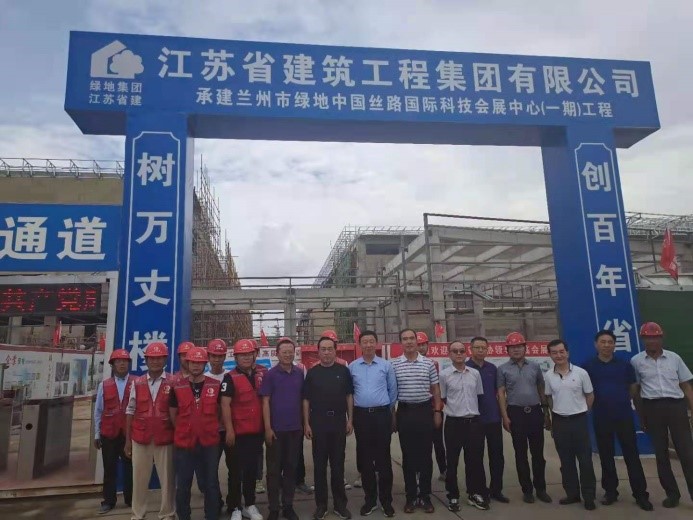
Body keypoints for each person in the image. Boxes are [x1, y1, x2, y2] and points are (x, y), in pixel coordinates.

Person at [582, 330, 652, 510]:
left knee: (632, 455)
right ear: (596, 344)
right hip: (601, 417)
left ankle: (640, 494)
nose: (606, 345)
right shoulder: (588, 366)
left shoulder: (624, 365)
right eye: (603, 342)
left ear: (614, 344)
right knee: (606, 456)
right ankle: (610, 492)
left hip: (624, 416)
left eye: (610, 342)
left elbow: (633, 389)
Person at [631, 322, 693, 508]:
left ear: (661, 338)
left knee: (687, 454)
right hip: (652, 408)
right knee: (661, 454)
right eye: (648, 338)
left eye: (655, 337)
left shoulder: (674, 358)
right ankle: (672, 494)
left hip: (676, 407)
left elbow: (686, 386)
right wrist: (642, 417)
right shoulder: (636, 361)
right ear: (643, 339)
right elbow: (635, 392)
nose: (652, 341)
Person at [303, 334, 354, 520]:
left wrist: (350, 420)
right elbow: (306, 400)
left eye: (329, 349)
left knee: (338, 466)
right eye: (323, 349)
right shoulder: (312, 373)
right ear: (318, 352)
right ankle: (321, 506)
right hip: (318, 424)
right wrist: (306, 423)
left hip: (338, 423)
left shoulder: (343, 371)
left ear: (335, 351)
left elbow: (349, 396)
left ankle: (340, 505)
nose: (326, 352)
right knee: (319, 467)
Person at [497, 332, 552, 504]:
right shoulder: (502, 369)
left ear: (525, 348)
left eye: (519, 346)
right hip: (516, 413)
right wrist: (504, 416)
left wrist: (546, 412)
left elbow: (541, 388)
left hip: (535, 412)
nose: (516, 350)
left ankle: (541, 489)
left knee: (538, 454)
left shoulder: (535, 367)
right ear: (507, 350)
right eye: (512, 347)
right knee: (520, 454)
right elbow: (501, 393)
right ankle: (527, 490)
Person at [391, 328, 442, 514]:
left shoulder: (428, 363)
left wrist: (437, 411)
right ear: (401, 343)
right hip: (404, 412)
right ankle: (411, 496)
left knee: (426, 456)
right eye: (405, 339)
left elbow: (435, 389)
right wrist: (393, 416)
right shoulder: (394, 365)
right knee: (408, 456)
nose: (409, 342)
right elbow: (392, 392)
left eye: (412, 338)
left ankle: (425, 496)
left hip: (424, 411)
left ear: (416, 341)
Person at [124, 342, 176, 520]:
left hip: (165, 437)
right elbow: (130, 410)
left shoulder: (173, 382)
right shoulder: (137, 382)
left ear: (165, 360)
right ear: (146, 360)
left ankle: (167, 513)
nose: (155, 361)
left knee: (167, 480)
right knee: (139, 479)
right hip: (140, 437)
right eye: (151, 358)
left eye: (159, 358)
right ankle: (137, 514)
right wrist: (128, 440)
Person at [170, 346, 222, 520]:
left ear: (205, 364)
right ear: (187, 363)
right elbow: (173, 414)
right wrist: (185, 428)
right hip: (185, 443)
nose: (196, 365)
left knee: (211, 483)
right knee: (183, 484)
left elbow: (220, 411)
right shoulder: (177, 387)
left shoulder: (215, 385)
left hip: (209, 443)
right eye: (192, 362)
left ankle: (212, 515)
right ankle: (184, 516)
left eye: (199, 362)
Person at [349, 330, 397, 517]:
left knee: (384, 458)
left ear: (376, 344)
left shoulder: (386, 365)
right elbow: (350, 393)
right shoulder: (353, 367)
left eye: (371, 341)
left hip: (381, 415)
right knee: (365, 459)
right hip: (361, 416)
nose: (368, 345)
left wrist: (387, 410)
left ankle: (386, 501)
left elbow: (393, 391)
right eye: (365, 342)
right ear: (360, 345)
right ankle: (370, 500)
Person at [544, 339, 597, 511]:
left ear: (567, 353)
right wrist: (554, 415)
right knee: (566, 461)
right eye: (554, 352)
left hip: (579, 421)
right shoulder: (548, 375)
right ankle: (572, 494)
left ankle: (589, 496)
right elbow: (549, 397)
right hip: (560, 422)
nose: (558, 355)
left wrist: (583, 411)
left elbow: (590, 395)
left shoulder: (581, 373)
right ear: (550, 355)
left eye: (561, 352)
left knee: (585, 461)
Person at [220, 339, 267, 520]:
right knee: (235, 472)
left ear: (254, 355)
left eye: (249, 354)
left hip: (256, 432)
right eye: (242, 355)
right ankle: (235, 507)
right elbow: (225, 405)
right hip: (237, 433)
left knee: (251, 471)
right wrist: (229, 430)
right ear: (236, 357)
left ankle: (250, 504)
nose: (246, 357)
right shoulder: (230, 377)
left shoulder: (262, 373)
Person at [440, 340, 489, 512]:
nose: (459, 354)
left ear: (466, 353)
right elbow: (443, 397)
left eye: (461, 351)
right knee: (452, 462)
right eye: (455, 351)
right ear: (449, 354)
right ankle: (452, 495)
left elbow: (479, 395)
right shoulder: (444, 375)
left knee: (474, 461)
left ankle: (474, 493)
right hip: (454, 424)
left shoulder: (475, 374)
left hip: (473, 423)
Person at [260, 337, 304, 520]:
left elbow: (303, 400)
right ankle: (273, 508)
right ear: (277, 354)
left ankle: (288, 506)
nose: (287, 355)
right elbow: (265, 402)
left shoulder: (299, 373)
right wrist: (267, 428)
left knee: (291, 469)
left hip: (295, 430)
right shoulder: (270, 375)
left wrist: (304, 424)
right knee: (273, 472)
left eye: (290, 352)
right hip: (276, 431)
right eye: (284, 352)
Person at [466, 336, 508, 503]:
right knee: (475, 457)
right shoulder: (466, 368)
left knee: (497, 456)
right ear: (471, 349)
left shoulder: (492, 368)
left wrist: (503, 416)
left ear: (487, 349)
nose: (480, 350)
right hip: (474, 420)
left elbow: (500, 393)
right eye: (477, 347)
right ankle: (479, 489)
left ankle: (496, 489)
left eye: (483, 347)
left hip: (493, 418)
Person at [94, 348, 134, 514]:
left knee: (130, 468)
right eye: (118, 361)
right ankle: (109, 501)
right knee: (109, 468)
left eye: (124, 361)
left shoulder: (136, 383)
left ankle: (131, 499)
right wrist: (97, 434)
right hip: (109, 433)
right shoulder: (104, 385)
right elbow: (98, 411)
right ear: (112, 365)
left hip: (129, 434)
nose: (122, 364)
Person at [416, 331, 446, 482]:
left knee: (438, 441)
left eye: (423, 344)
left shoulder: (433, 364)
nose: (421, 347)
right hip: (418, 409)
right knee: (420, 444)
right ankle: (419, 471)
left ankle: (443, 470)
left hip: (433, 408)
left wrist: (438, 409)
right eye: (419, 344)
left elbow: (436, 388)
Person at [206, 338, 231, 513]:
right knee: (210, 471)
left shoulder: (231, 376)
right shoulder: (203, 378)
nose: (217, 359)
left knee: (234, 469)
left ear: (225, 357)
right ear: (208, 357)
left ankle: (233, 502)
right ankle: (216, 503)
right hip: (211, 432)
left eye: (220, 356)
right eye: (214, 356)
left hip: (230, 431)